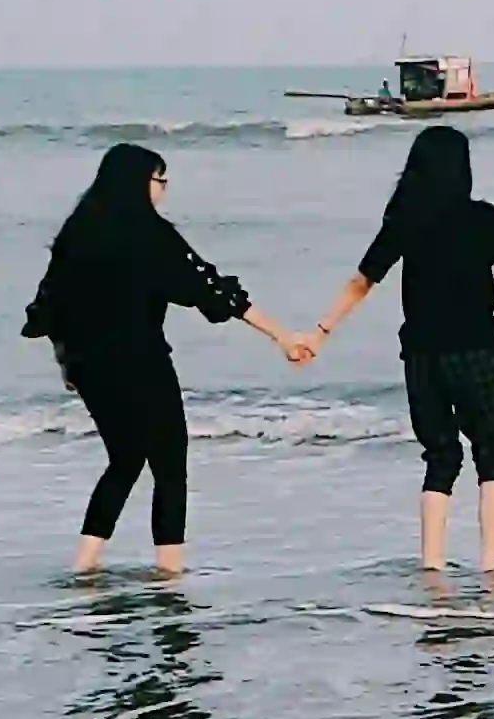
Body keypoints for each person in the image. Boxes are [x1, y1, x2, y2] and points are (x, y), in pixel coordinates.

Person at [299, 124, 494, 573]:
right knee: (493, 449)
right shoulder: (483, 218)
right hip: (474, 351)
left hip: (421, 356)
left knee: (441, 454)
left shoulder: (405, 221)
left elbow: (361, 280)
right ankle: (489, 565)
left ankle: (431, 565)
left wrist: (319, 332)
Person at [23, 142, 314, 577]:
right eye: (161, 180)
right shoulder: (152, 235)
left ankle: (82, 568)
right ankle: (169, 577)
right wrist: (282, 336)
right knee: (170, 466)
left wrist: (71, 364)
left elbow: (50, 309)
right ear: (141, 183)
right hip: (142, 363)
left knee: (124, 461)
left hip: (90, 368)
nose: (164, 190)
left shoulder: (78, 233)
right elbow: (212, 290)